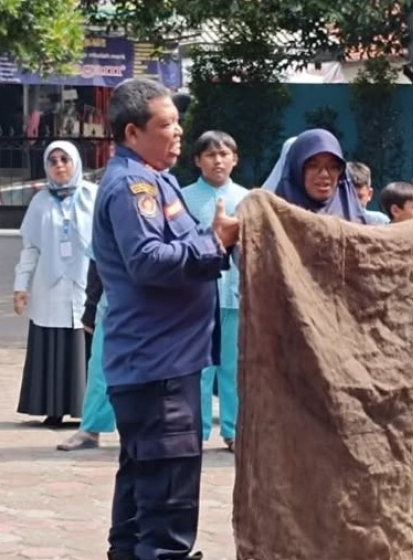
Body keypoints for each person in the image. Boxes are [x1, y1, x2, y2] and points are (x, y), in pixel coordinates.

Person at [93, 78, 239, 560]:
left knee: (141, 502)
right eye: (166, 125)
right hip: (158, 370)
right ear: (132, 132)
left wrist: (213, 242)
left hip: (159, 365)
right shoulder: (133, 186)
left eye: (178, 123)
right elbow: (150, 261)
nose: (178, 133)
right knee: (168, 511)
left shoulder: (154, 179)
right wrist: (214, 243)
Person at [14, 140, 97, 426]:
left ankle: (89, 409)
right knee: (52, 344)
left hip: (87, 284)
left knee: (86, 342)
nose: (59, 165)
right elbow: (30, 248)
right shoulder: (40, 202)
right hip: (50, 287)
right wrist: (20, 286)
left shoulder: (93, 197)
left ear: (76, 162)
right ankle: (53, 407)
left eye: (65, 159)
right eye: (53, 161)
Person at [182, 130, 249, 452]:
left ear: (235, 159)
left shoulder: (248, 199)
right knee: (199, 367)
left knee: (233, 368)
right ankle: (196, 428)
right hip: (198, 296)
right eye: (210, 155)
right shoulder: (182, 199)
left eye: (224, 154)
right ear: (197, 160)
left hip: (235, 296)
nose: (218, 160)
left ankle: (234, 430)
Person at [57, 254, 116, 451]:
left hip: (158, 304)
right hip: (115, 304)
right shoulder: (109, 221)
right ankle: (91, 429)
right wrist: (90, 306)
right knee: (100, 368)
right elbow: (97, 257)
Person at [273, 129, 368, 223]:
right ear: (296, 170)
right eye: (313, 166)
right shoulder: (272, 220)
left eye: (333, 167)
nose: (324, 174)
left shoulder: (356, 221)